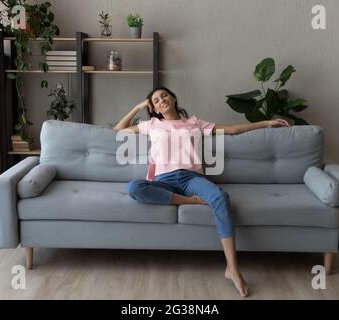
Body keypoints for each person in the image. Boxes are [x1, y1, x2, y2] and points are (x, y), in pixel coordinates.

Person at [114, 87, 290, 297]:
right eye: (156, 100)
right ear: (153, 108)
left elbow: (232, 129)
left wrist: (266, 122)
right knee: (135, 187)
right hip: (163, 180)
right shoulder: (151, 125)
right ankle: (189, 202)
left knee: (220, 197)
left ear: (173, 97)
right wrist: (137, 107)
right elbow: (118, 130)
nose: (162, 100)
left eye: (165, 96)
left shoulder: (194, 122)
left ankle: (232, 268)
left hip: (191, 178)